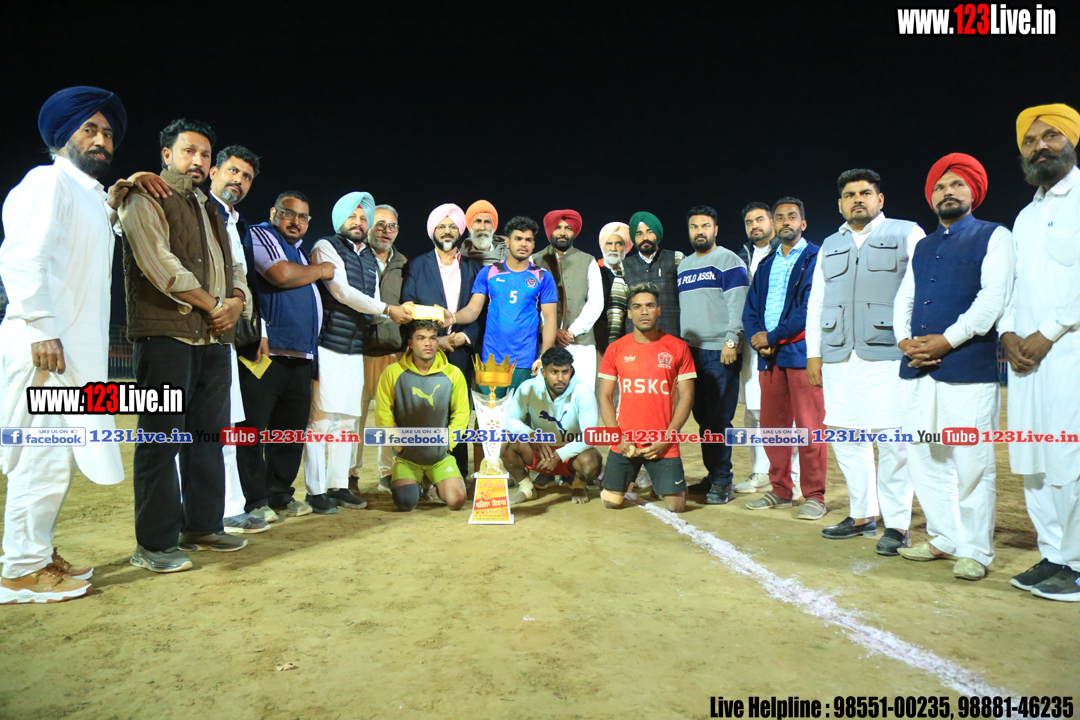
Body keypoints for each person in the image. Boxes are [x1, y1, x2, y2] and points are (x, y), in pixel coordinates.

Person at [0, 87, 128, 602]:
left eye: (108, 133)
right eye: (89, 129)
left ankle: (35, 552)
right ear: (62, 135)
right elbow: (22, 257)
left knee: (57, 458)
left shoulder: (88, 195)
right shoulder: (47, 181)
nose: (101, 140)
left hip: (70, 350)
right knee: (41, 458)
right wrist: (42, 325)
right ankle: (20, 570)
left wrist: (118, 201)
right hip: (46, 348)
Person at [119, 118, 253, 572]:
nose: (197, 160)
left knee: (208, 439)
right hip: (165, 336)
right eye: (188, 151)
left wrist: (236, 303)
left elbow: (235, 268)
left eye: (204, 154)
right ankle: (154, 544)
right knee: (160, 442)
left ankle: (202, 526)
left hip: (213, 338)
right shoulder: (143, 196)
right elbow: (158, 263)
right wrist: (214, 303)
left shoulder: (211, 209)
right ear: (166, 154)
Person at [895, 153, 1014, 581]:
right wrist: (903, 340)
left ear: (973, 192)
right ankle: (944, 537)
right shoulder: (924, 245)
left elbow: (993, 299)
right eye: (940, 186)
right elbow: (905, 298)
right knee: (924, 455)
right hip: (918, 367)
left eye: (957, 185)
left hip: (967, 367)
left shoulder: (994, 236)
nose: (948, 192)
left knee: (971, 461)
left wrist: (947, 340)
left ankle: (976, 550)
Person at [807, 169, 924, 556]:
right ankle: (862, 515)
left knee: (892, 442)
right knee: (845, 436)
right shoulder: (829, 244)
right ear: (840, 204)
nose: (858, 198)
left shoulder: (907, 233)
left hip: (888, 353)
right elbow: (817, 302)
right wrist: (813, 353)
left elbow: (919, 290)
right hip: (838, 355)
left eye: (865, 192)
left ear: (880, 199)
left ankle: (898, 524)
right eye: (850, 194)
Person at [1001, 104, 1080, 601]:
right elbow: (1014, 285)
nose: (1041, 147)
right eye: (1030, 141)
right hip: (1025, 359)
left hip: (1070, 353)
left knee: (1069, 455)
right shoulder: (1026, 216)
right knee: (1031, 457)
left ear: (1071, 141)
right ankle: (1054, 554)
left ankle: (1077, 562)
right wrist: (1008, 334)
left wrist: (1048, 331)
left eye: (1051, 136)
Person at [305, 192, 413, 510]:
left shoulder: (367, 256)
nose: (358, 222)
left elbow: (374, 304)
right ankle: (314, 491)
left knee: (348, 421)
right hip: (327, 344)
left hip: (355, 348)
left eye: (363, 218)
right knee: (321, 421)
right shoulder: (325, 247)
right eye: (352, 216)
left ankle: (338, 485)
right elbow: (341, 291)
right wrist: (389, 309)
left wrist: (411, 313)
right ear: (340, 218)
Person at [239, 191, 333, 519]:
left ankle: (279, 494)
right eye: (288, 213)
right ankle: (254, 501)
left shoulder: (301, 253)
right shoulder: (261, 235)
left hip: (301, 356)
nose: (296, 221)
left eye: (303, 216)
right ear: (273, 213)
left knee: (289, 433)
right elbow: (280, 275)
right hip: (266, 353)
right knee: (251, 430)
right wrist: (321, 270)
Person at [742, 197, 827, 519]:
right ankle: (780, 490)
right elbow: (751, 309)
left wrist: (773, 336)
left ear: (803, 223)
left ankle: (814, 495)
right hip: (769, 357)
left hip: (801, 354)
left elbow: (810, 307)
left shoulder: (815, 257)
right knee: (773, 428)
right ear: (774, 224)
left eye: (792, 216)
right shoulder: (766, 264)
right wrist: (757, 338)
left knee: (809, 428)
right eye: (780, 217)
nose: (785, 222)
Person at [206, 145, 270, 534]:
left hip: (230, 335)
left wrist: (258, 330)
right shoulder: (197, 210)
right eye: (233, 171)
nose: (239, 180)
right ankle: (193, 511)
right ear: (213, 171)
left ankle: (231, 507)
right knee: (194, 428)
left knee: (228, 423)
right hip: (199, 328)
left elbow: (246, 281)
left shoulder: (238, 224)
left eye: (246, 176)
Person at [401, 203, 483, 481]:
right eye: (441, 226)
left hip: (460, 352)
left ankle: (456, 474)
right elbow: (408, 306)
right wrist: (435, 340)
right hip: (426, 353)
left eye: (452, 226)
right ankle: (423, 475)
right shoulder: (416, 265)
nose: (447, 231)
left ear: (460, 231)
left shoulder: (473, 268)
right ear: (432, 231)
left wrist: (464, 336)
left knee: (459, 413)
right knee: (425, 412)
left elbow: (481, 311)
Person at [598, 282, 696, 513]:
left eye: (650, 306)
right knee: (610, 502)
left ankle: (659, 479)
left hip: (663, 442)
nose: (644, 311)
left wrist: (667, 439)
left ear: (658, 310)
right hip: (625, 442)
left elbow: (687, 397)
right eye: (637, 307)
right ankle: (632, 476)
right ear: (629, 313)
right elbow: (604, 397)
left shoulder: (678, 347)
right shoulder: (616, 349)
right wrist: (618, 439)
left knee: (676, 506)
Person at [678, 205, 749, 505]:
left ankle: (723, 480)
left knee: (720, 419)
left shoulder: (728, 260)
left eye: (705, 226)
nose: (700, 231)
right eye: (694, 226)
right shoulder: (684, 266)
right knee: (702, 418)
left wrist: (732, 340)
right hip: (691, 353)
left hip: (720, 351)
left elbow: (739, 304)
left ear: (715, 229)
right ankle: (712, 474)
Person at [449, 216, 557, 396]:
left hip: (525, 361)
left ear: (533, 244)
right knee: (490, 411)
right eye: (518, 239)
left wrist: (544, 357)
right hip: (492, 361)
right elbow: (473, 310)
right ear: (507, 242)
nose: (523, 244)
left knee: (521, 412)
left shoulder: (542, 276)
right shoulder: (489, 272)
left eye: (528, 239)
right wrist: (452, 317)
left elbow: (550, 319)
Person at [375, 320, 470, 512]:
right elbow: (383, 416)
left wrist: (447, 443)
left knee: (457, 500)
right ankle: (417, 481)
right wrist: (399, 446)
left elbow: (461, 413)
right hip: (407, 457)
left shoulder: (453, 373)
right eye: (421, 338)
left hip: (440, 456)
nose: (428, 343)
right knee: (405, 502)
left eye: (433, 338)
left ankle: (431, 480)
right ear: (410, 343)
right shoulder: (392, 373)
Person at [733, 202, 789, 495]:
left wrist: (774, 337)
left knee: (785, 414)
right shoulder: (741, 257)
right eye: (749, 221)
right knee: (753, 411)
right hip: (751, 345)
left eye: (760, 219)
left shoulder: (787, 253)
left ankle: (790, 477)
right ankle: (760, 472)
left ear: (772, 222)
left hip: (782, 343)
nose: (754, 225)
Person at [501, 346, 603, 505]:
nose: (560, 378)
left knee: (592, 461)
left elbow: (590, 436)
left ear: (571, 371)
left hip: (572, 455)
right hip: (540, 450)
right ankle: (527, 487)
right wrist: (530, 434)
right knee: (505, 440)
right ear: (543, 372)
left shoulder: (583, 392)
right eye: (554, 372)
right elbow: (509, 419)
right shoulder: (528, 388)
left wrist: (559, 455)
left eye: (565, 372)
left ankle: (578, 483)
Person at [353, 204, 409, 491]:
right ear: (368, 228)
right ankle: (349, 475)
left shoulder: (405, 264)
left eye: (392, 226)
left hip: (393, 351)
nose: (386, 231)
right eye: (380, 225)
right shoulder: (354, 258)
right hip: (358, 350)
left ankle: (389, 474)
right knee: (355, 418)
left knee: (391, 418)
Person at [533, 210, 604, 391]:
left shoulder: (588, 261)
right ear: (550, 230)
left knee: (581, 395)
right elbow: (531, 303)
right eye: (558, 227)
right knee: (545, 398)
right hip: (544, 343)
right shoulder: (534, 261)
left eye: (568, 228)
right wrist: (550, 330)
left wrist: (571, 332)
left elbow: (596, 302)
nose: (563, 232)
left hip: (580, 343)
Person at [621, 212, 683, 337]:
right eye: (639, 234)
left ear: (657, 234)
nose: (645, 237)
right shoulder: (624, 265)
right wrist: (613, 339)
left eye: (649, 232)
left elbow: (689, 298)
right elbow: (617, 308)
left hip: (672, 333)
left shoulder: (676, 258)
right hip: (636, 338)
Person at [596, 222, 630, 356]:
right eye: (609, 243)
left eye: (619, 244)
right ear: (602, 246)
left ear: (626, 247)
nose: (613, 248)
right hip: (598, 339)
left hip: (628, 336)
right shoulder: (593, 271)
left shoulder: (632, 271)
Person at [461, 200, 508, 266]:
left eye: (487, 222)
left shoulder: (508, 256)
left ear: (493, 227)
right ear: (470, 226)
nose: (482, 228)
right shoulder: (460, 258)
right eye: (478, 221)